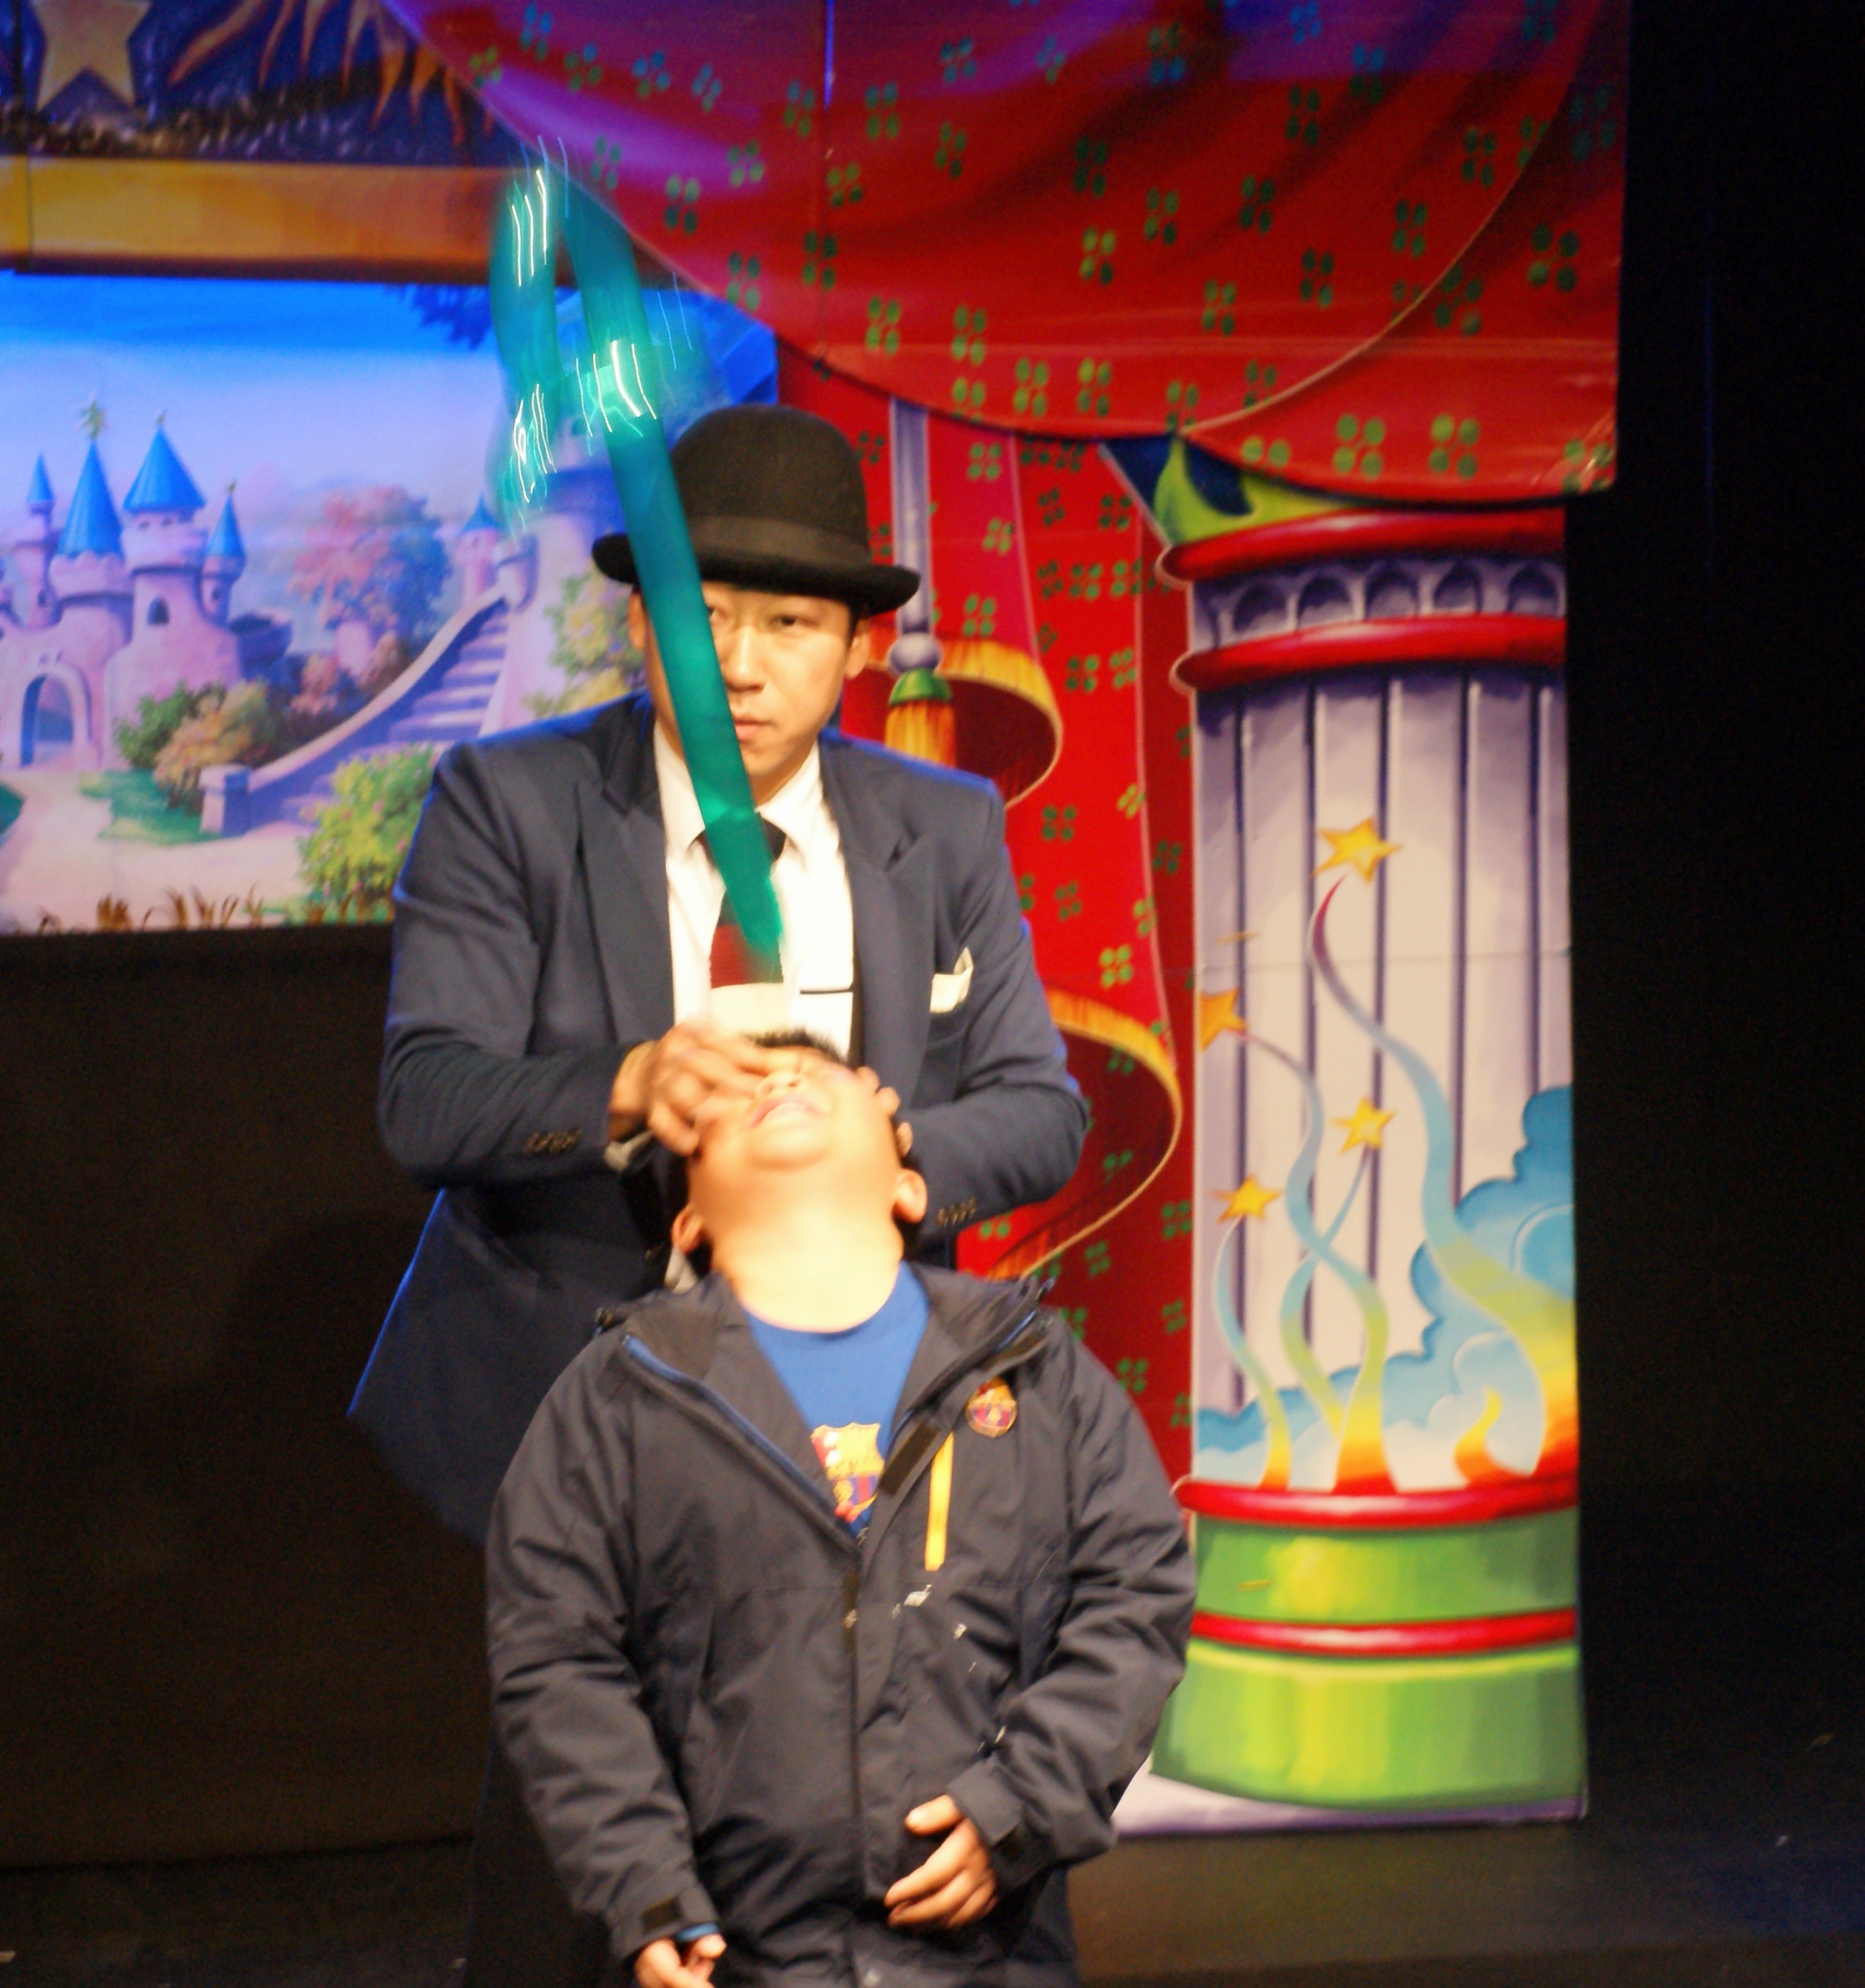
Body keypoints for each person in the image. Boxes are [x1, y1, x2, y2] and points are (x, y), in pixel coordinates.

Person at [353, 403, 1091, 1983]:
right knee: (594, 1841)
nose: (739, 667)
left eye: (790, 626)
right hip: (591, 1398)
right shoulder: (513, 802)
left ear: (858, 648)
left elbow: (1041, 1111)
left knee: (884, 1803)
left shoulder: (940, 828)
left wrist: (877, 1152)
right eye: (703, 620)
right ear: (640, 623)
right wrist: (629, 1084)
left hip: (869, 1418)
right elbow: (427, 1096)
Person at [487, 1036, 1194, 1988]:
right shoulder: (621, 1393)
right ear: (688, 1218)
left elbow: (1135, 1593)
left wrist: (1024, 1801)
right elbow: (556, 1654)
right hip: (732, 1954)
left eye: (822, 1073)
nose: (781, 1078)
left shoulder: (1031, 1367)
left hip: (988, 1951)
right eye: (739, 1088)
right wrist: (641, 1882)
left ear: (909, 1182)